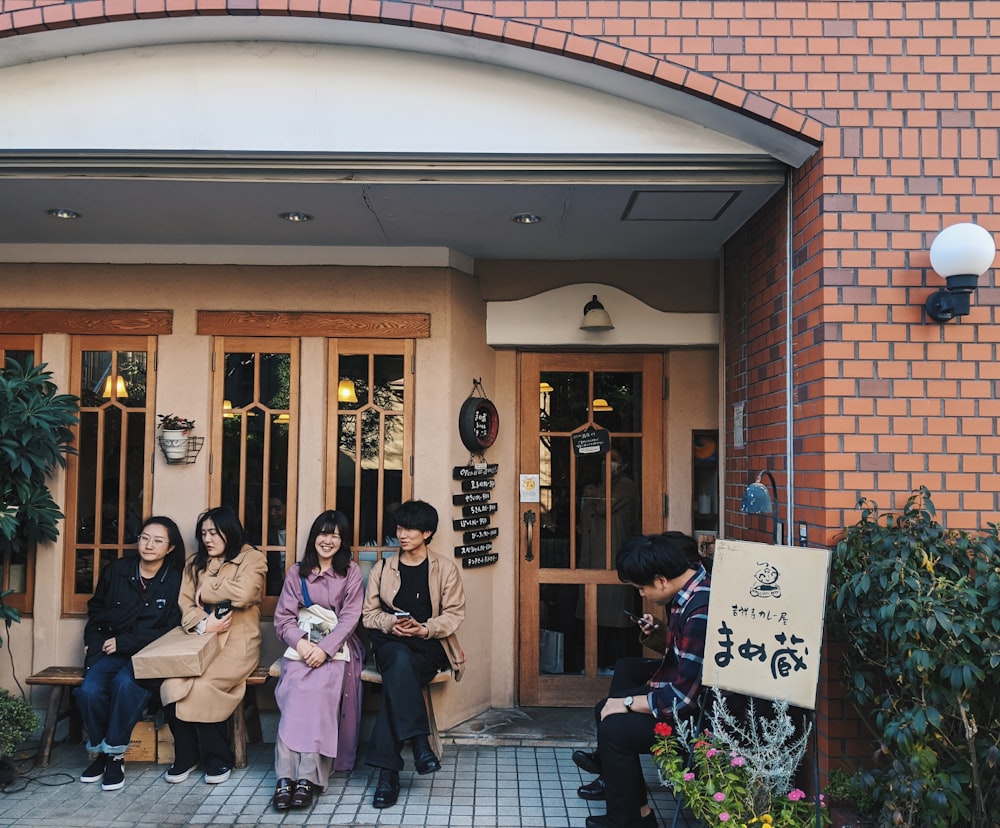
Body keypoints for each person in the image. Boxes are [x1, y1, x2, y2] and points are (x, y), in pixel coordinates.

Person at [574, 531, 711, 828]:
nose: (641, 594)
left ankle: (630, 818)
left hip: (701, 717)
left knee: (613, 725)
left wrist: (627, 702)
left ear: (661, 580)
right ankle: (635, 811)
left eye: (641, 587)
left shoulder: (700, 609)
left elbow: (684, 699)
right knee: (611, 704)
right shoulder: (690, 591)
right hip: (687, 698)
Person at [361, 499, 466, 809]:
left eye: (409, 529)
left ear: (427, 532)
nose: (402, 534)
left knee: (399, 677)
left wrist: (425, 629)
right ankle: (420, 744)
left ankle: (388, 774)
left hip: (428, 647)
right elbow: (369, 615)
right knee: (399, 660)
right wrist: (391, 622)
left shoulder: (444, 569)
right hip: (391, 644)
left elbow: (455, 614)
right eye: (399, 528)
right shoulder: (384, 568)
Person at [76, 516, 185, 791]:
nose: (149, 545)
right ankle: (101, 752)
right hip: (110, 650)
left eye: (158, 541)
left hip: (149, 655)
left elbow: (172, 628)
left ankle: (114, 755)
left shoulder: (174, 579)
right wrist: (93, 641)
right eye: (145, 538)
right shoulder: (118, 570)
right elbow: (96, 609)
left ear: (170, 548)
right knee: (89, 689)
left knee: (126, 684)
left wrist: (125, 642)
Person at [160, 506, 267, 786]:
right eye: (204, 533)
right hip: (200, 639)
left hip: (238, 643)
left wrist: (206, 590)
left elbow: (245, 594)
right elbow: (185, 603)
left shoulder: (251, 558)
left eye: (214, 532)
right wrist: (203, 624)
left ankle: (218, 757)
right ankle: (187, 755)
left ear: (229, 531)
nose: (208, 538)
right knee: (171, 684)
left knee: (204, 686)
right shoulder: (195, 562)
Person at [271, 510, 365, 810]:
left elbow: (350, 618)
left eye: (335, 535)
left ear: (343, 541)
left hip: (337, 648)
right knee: (295, 690)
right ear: (314, 536)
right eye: (323, 534)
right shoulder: (297, 572)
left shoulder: (350, 572)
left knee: (319, 694)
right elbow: (283, 618)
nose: (328, 540)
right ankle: (285, 777)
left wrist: (323, 649)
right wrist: (301, 645)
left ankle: (308, 778)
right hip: (299, 648)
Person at [578, 449, 640, 672]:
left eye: (613, 460)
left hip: (613, 557)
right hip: (593, 557)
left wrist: (600, 487)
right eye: (605, 461)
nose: (608, 464)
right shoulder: (600, 487)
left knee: (615, 616)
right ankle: (596, 663)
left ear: (622, 465)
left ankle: (615, 664)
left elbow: (604, 506)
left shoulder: (626, 485)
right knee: (595, 614)